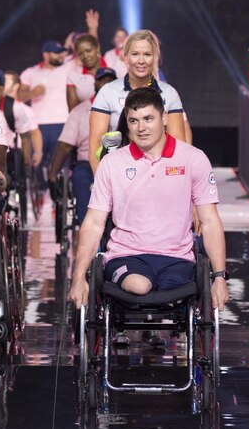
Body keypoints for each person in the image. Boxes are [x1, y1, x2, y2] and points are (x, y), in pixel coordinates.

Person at [67, 88, 229, 312]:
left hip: (177, 258)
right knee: (140, 285)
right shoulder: (112, 163)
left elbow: (210, 221)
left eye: (148, 119)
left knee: (174, 289)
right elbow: (94, 222)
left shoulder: (193, 158)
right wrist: (78, 277)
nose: (141, 128)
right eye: (134, 121)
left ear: (164, 118)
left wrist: (219, 277)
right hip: (126, 256)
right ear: (127, 122)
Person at [88, 30, 190, 174]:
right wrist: (100, 183)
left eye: (147, 54)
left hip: (159, 173)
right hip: (118, 172)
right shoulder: (107, 92)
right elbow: (95, 144)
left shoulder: (169, 93)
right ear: (126, 57)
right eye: (135, 54)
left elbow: (179, 144)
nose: (141, 61)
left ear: (154, 58)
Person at [49, 67, 116, 226]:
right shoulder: (79, 111)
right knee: (80, 177)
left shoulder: (125, 107)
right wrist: (52, 175)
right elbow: (65, 145)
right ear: (95, 84)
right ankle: (88, 226)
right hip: (86, 163)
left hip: (117, 162)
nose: (106, 84)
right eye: (103, 80)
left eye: (111, 81)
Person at [18, 41, 73, 175]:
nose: (60, 56)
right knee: (37, 165)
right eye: (56, 53)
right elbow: (19, 96)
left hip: (62, 123)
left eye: (61, 53)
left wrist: (92, 29)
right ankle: (40, 194)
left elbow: (90, 51)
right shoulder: (30, 72)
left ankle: (60, 194)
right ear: (46, 55)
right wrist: (32, 93)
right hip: (38, 125)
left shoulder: (68, 67)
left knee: (60, 166)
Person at [65, 33, 108, 110]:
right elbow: (73, 111)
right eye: (80, 54)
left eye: (88, 50)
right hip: (86, 120)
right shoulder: (73, 74)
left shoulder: (114, 66)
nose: (85, 56)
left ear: (97, 48)